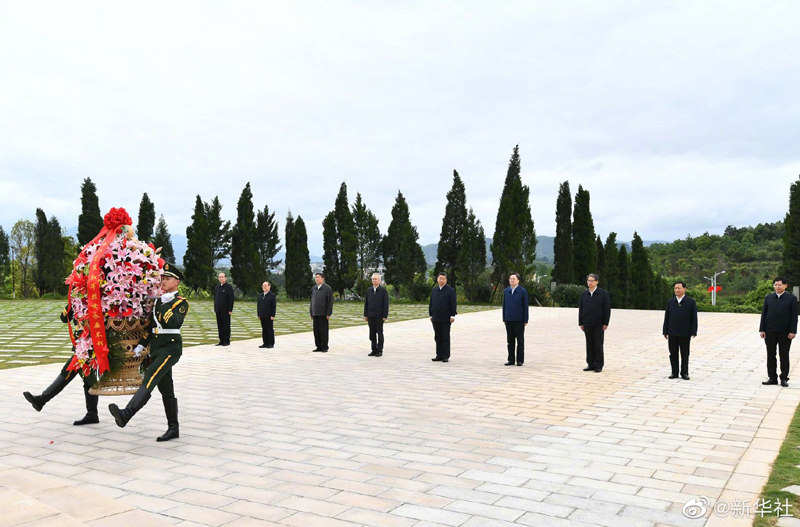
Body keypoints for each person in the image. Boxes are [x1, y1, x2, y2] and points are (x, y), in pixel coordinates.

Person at [109, 263, 188, 441]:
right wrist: (141, 344)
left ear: (177, 282)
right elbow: (153, 327)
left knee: (150, 377)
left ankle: (126, 414)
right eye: (163, 278)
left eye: (167, 279)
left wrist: (167, 304)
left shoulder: (180, 303)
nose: (163, 281)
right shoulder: (158, 301)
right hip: (157, 348)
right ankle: (173, 428)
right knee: (166, 389)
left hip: (171, 348)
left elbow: (173, 323)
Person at [22, 303, 99, 425]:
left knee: (69, 372)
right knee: (88, 380)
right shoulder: (77, 302)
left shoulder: (93, 300)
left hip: (90, 347)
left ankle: (42, 400)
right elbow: (63, 318)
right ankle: (92, 414)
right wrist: (71, 305)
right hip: (81, 347)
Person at [759, 277, 798, 387]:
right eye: (775, 285)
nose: (777, 287)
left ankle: (784, 378)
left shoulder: (791, 299)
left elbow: (794, 317)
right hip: (769, 331)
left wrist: (793, 331)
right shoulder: (768, 298)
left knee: (784, 355)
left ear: (785, 285)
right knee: (770, 354)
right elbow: (764, 314)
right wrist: (762, 329)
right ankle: (772, 378)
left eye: (779, 285)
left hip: (785, 332)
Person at [662, 281, 698, 380]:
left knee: (685, 353)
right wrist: (665, 331)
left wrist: (694, 330)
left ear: (684, 289)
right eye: (675, 288)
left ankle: (684, 373)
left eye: (679, 288)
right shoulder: (670, 302)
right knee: (673, 353)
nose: (677, 290)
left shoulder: (691, 302)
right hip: (672, 332)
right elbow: (667, 317)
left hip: (685, 332)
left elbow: (694, 318)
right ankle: (674, 372)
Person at [578, 273, 611, 372]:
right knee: (589, 344)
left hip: (598, 324)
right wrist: (581, 322)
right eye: (588, 281)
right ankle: (590, 363)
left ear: (597, 282)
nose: (590, 283)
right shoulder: (584, 294)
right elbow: (581, 309)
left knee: (598, 344)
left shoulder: (603, 294)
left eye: (592, 281)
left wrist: (605, 323)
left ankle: (598, 365)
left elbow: (607, 310)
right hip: (587, 323)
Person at [502, 272, 529, 366]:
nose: (511, 280)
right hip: (509, 320)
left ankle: (520, 360)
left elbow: (525, 307)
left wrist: (526, 320)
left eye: (513, 279)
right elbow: (504, 306)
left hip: (519, 320)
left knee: (520, 341)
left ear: (518, 280)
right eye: (510, 279)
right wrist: (504, 318)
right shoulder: (506, 291)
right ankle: (511, 360)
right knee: (510, 341)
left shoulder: (522, 291)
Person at [429, 272, 457, 362]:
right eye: (440, 278)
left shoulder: (450, 291)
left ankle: (445, 355)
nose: (441, 280)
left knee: (445, 336)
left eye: (443, 278)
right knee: (437, 337)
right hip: (435, 317)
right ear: (437, 279)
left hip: (446, 318)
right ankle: (439, 354)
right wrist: (431, 314)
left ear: (446, 280)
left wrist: (452, 315)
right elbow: (431, 303)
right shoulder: (434, 290)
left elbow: (453, 304)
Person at [363, 272, 389, 357]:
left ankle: (379, 350)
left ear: (379, 280)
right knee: (372, 334)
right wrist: (365, 314)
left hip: (379, 316)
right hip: (370, 315)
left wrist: (385, 315)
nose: (374, 280)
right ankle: (373, 349)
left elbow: (386, 304)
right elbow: (366, 303)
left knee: (379, 333)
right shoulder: (368, 290)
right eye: (373, 279)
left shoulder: (383, 291)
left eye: (375, 279)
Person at [310, 272, 333, 352]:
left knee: (323, 331)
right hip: (315, 313)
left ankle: (325, 346)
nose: (317, 279)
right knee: (316, 331)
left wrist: (328, 313)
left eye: (318, 277)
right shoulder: (314, 288)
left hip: (323, 314)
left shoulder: (327, 288)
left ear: (323, 279)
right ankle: (318, 346)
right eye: (316, 277)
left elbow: (330, 302)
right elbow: (311, 301)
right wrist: (311, 312)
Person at [214, 272, 234, 346]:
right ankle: (221, 340)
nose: (221, 278)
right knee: (220, 325)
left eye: (222, 277)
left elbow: (231, 299)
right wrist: (215, 308)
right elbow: (215, 298)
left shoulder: (228, 287)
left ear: (225, 278)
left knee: (226, 325)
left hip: (225, 310)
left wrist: (230, 309)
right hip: (218, 309)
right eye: (220, 277)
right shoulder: (217, 287)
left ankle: (226, 341)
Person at [257, 281, 276, 348]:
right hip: (262, 315)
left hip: (269, 316)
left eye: (265, 286)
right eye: (263, 286)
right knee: (264, 329)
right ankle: (265, 343)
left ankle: (271, 343)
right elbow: (258, 306)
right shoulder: (260, 295)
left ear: (269, 286)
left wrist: (273, 315)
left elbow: (274, 306)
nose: (264, 287)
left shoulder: (272, 295)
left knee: (269, 329)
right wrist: (258, 314)